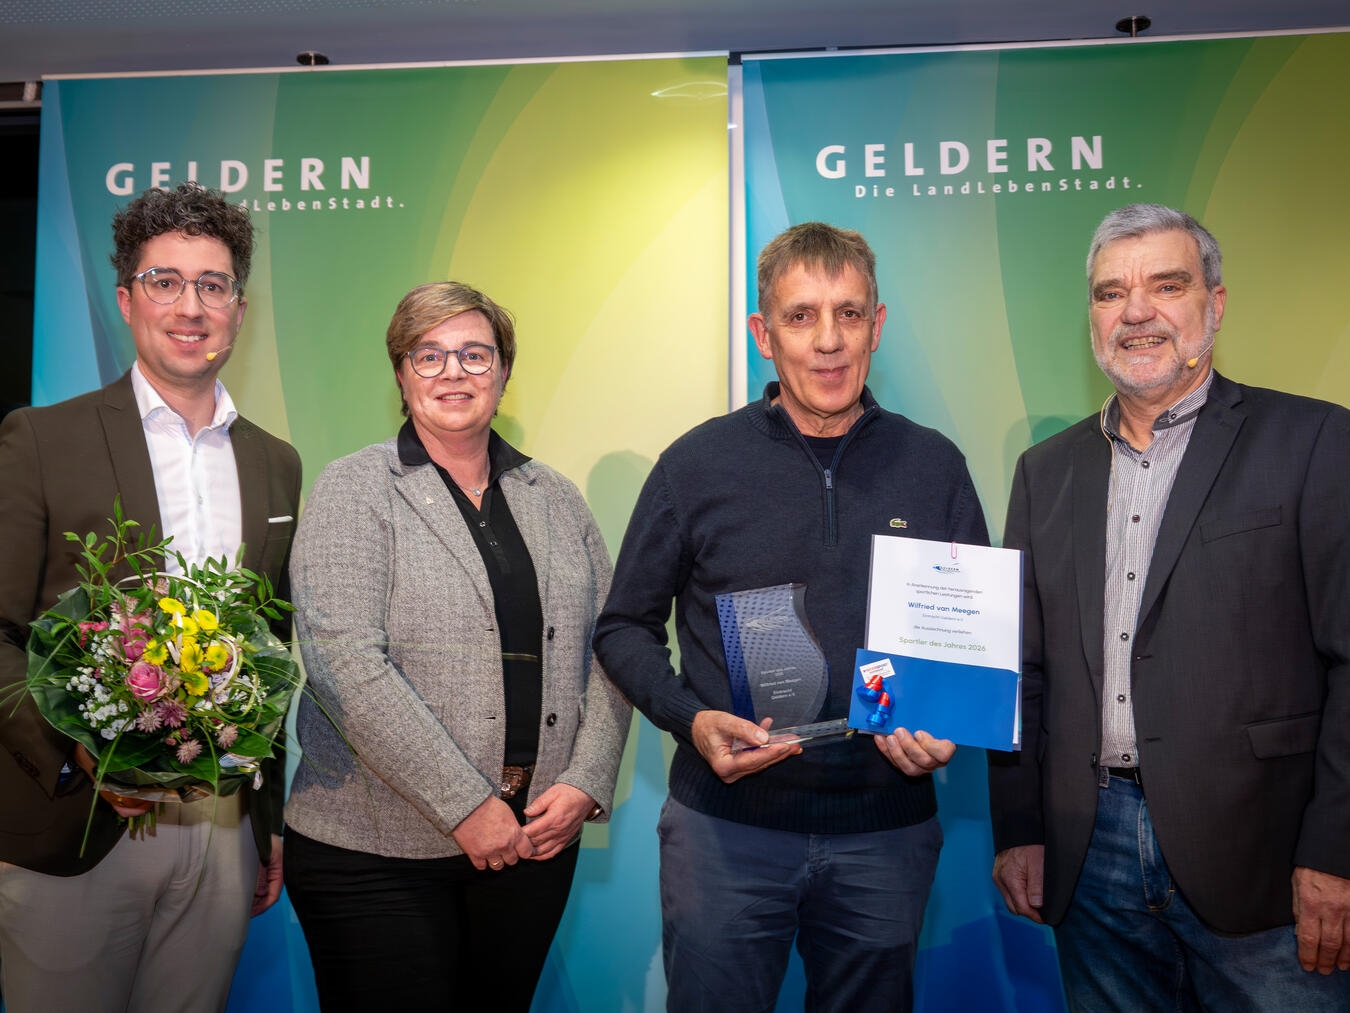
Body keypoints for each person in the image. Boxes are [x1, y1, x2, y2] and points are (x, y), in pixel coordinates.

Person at [593, 222, 989, 1012]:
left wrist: (944, 721)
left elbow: (970, 641)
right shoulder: (696, 464)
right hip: (727, 834)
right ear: (763, 334)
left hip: (887, 831)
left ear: (878, 324)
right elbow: (622, 628)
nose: (829, 341)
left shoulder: (934, 464)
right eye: (802, 315)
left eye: (850, 313)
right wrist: (689, 718)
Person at [988, 203, 1350, 1009]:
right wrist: (1021, 828)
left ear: (1214, 305)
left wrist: (1336, 848)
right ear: (1092, 316)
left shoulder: (1316, 442)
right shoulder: (1044, 471)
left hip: (1264, 853)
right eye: (1111, 293)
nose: (1137, 311)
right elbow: (1026, 667)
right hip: (1092, 851)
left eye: (1166, 284)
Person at [283, 280, 631, 1012]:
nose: (453, 373)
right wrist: (465, 804)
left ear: (503, 373)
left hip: (533, 841)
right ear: (401, 374)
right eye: (429, 355)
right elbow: (346, 664)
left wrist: (587, 780)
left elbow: (612, 644)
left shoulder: (556, 497)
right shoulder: (356, 488)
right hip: (376, 849)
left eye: (475, 355)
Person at [0, 182, 301, 1012]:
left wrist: (263, 818)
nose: (190, 306)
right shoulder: (42, 438)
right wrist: (74, 753)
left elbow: (273, 653)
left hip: (221, 828)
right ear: (128, 298)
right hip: (76, 822)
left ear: (239, 308)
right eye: (165, 281)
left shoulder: (277, 462)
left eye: (212, 285)